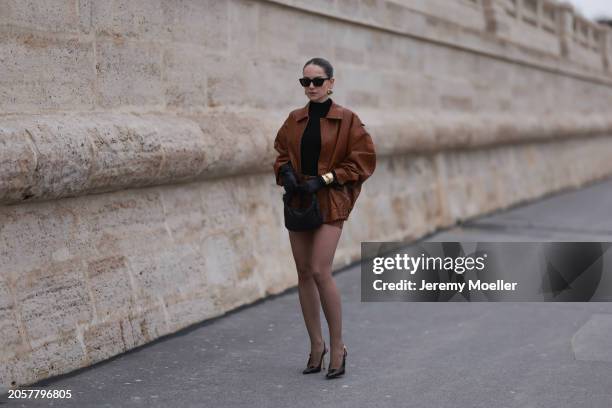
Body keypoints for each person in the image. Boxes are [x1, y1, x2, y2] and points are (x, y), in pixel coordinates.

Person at [272, 57, 377, 379]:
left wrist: (326, 179)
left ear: (331, 83)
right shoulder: (294, 119)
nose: (312, 88)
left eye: (318, 81)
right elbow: (281, 153)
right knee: (303, 272)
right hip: (300, 199)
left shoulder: (348, 120)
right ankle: (316, 346)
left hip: (330, 201)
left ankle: (338, 344)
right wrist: (286, 173)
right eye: (306, 82)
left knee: (319, 269)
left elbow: (363, 161)